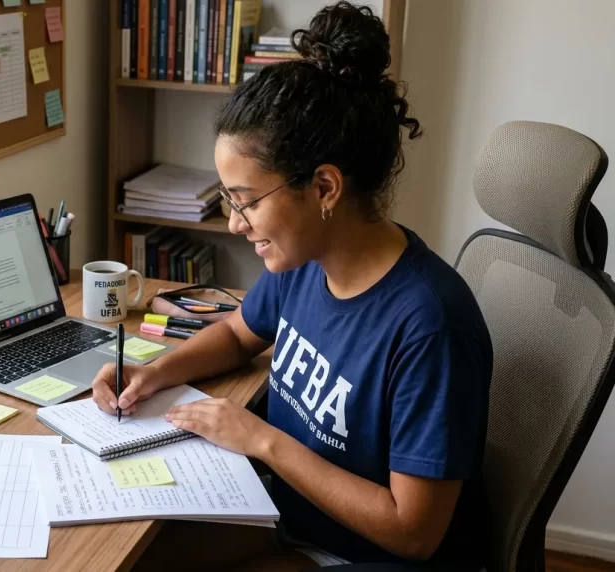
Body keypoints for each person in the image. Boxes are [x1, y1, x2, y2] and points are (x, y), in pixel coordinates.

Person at [92, 2, 492, 568]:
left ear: (324, 187)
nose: (234, 222)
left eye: (247, 200)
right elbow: (236, 336)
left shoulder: (430, 326)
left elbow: (413, 531)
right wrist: (153, 374)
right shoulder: (305, 262)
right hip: (288, 517)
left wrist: (261, 440)